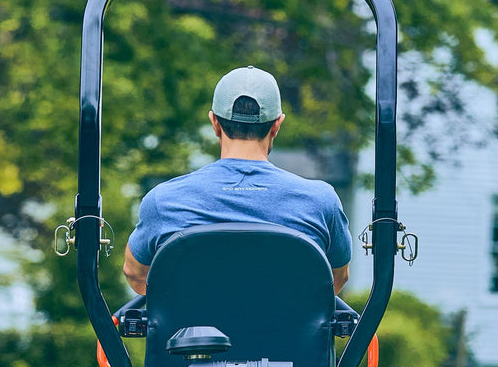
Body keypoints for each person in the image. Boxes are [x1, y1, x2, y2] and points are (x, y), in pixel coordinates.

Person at [122, 65, 353, 296]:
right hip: (287, 332)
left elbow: (136, 275)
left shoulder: (164, 201)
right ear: (276, 125)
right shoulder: (320, 202)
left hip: (190, 331)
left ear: (214, 123)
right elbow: (335, 279)